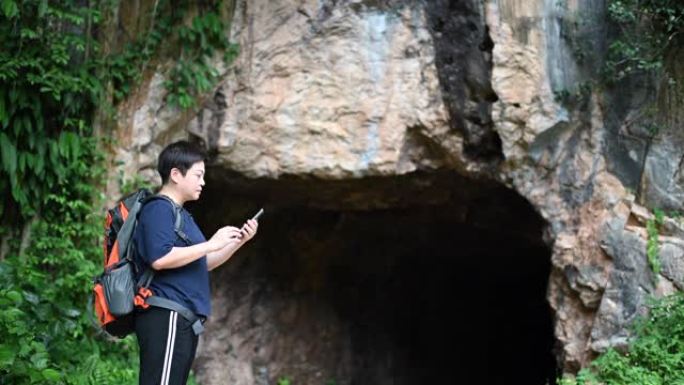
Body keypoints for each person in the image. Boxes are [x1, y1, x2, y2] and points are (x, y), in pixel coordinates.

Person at [133, 140, 258, 385]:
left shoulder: (181, 216)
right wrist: (211, 243)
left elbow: (204, 263)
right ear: (176, 174)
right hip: (166, 312)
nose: (203, 182)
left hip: (182, 318)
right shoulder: (159, 208)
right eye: (198, 175)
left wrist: (238, 241)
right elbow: (160, 258)